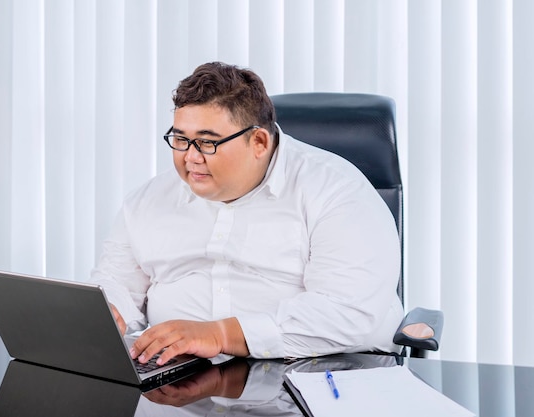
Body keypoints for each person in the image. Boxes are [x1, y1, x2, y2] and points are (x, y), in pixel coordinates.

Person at [90, 62, 403, 367]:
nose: (190, 157)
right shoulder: (147, 201)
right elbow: (117, 280)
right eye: (181, 139)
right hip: (178, 380)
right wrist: (111, 311)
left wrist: (222, 334)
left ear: (259, 142)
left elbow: (346, 312)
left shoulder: (337, 191)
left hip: (317, 374)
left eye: (207, 142)